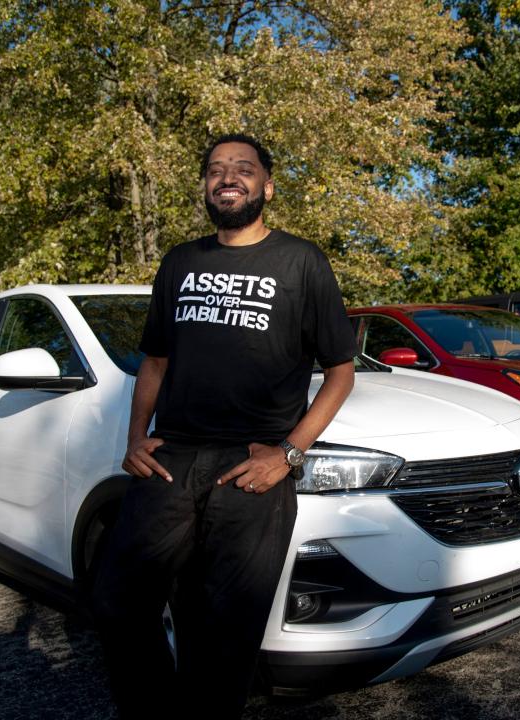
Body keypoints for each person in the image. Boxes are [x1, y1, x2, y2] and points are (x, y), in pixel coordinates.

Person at [91, 133, 357, 719]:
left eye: (242, 168)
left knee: (226, 630)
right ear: (207, 186)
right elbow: (154, 361)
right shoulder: (181, 262)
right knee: (117, 602)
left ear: (267, 184)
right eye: (215, 170)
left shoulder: (301, 262)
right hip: (172, 459)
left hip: (252, 468)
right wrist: (135, 438)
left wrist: (288, 454)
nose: (227, 177)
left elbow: (341, 372)